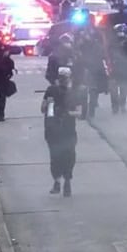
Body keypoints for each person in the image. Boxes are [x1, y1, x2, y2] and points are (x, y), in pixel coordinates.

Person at [41, 67, 80, 196]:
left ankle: (66, 181)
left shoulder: (73, 93)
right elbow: (43, 109)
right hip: (55, 130)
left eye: (65, 77)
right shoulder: (51, 90)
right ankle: (59, 181)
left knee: (65, 156)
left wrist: (68, 113)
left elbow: (79, 112)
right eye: (62, 77)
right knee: (59, 156)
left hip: (66, 130)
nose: (63, 80)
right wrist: (49, 105)